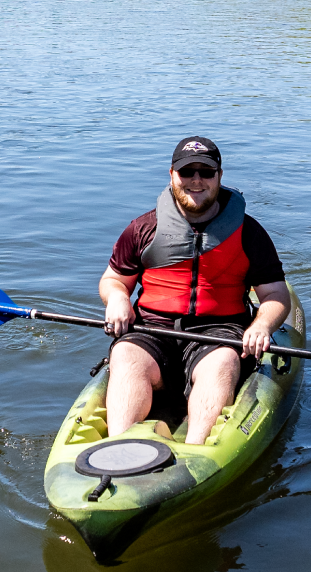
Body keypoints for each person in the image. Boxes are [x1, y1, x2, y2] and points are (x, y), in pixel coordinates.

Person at [99, 137, 290, 446]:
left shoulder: (249, 233)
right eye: (188, 172)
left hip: (217, 333)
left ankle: (196, 451)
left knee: (223, 363)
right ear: (172, 174)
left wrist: (262, 326)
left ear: (220, 176)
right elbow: (113, 280)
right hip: (151, 330)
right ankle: (117, 449)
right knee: (124, 354)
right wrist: (119, 298)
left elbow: (276, 296)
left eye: (206, 172)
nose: (197, 180)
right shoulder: (142, 229)